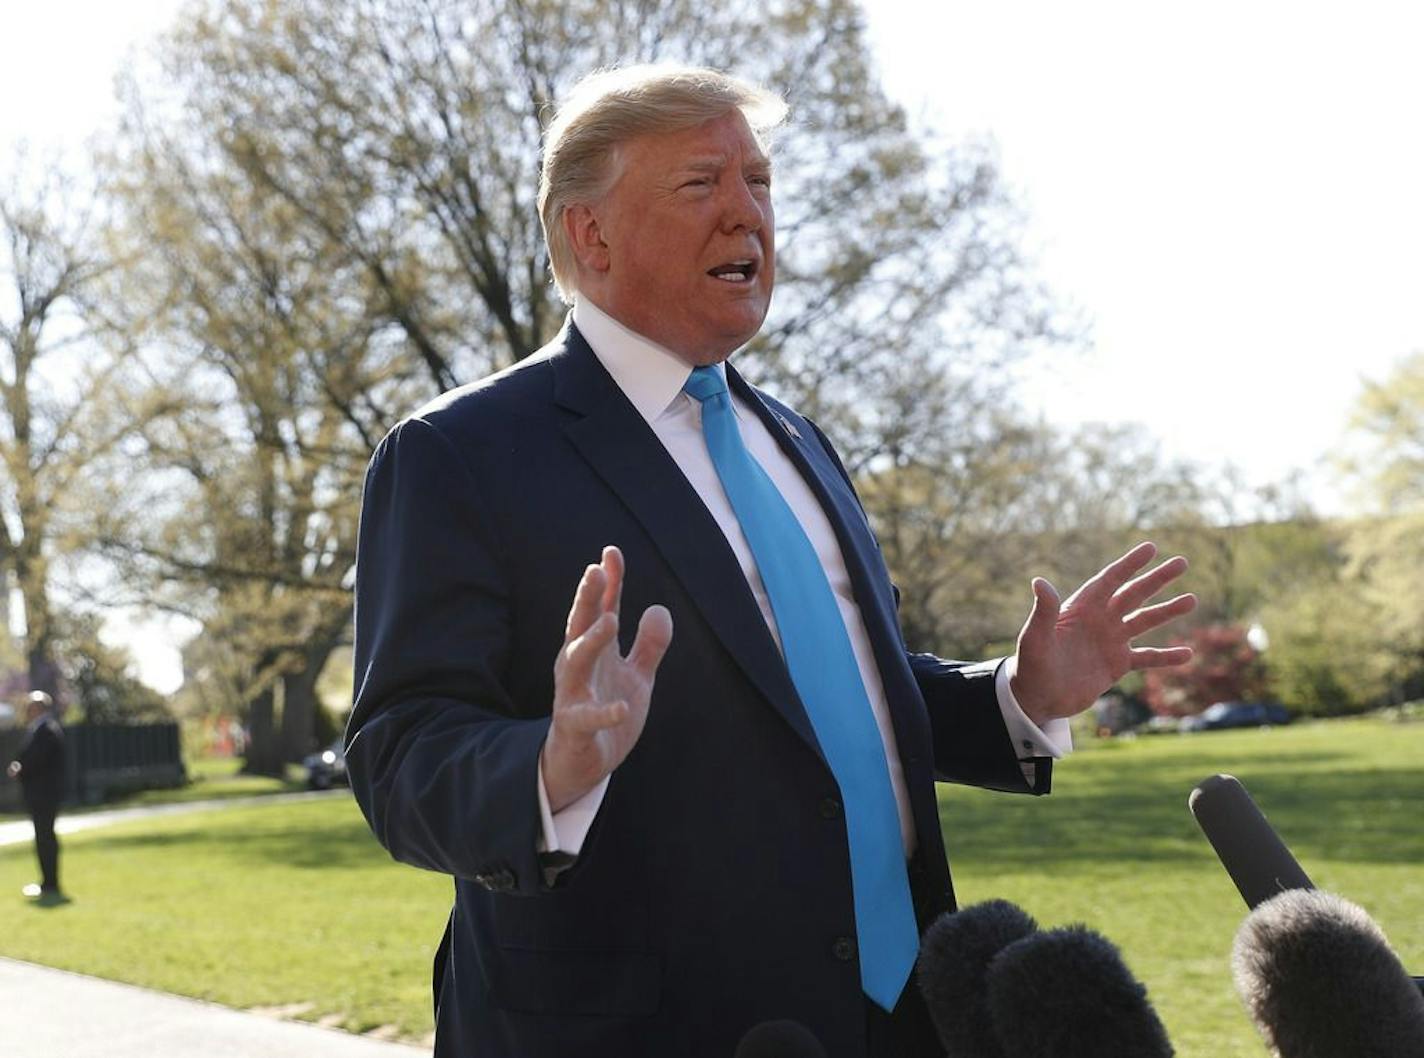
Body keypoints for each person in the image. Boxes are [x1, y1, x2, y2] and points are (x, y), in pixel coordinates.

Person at [346, 64, 1196, 1058]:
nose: (746, 213)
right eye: (701, 185)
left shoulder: (794, 440)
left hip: (905, 1014)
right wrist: (550, 762)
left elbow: (834, 702)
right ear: (590, 233)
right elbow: (401, 745)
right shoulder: (460, 453)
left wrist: (1017, 693)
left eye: (759, 183)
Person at [7, 691, 67, 902]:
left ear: (39, 708)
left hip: (45, 796)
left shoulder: (47, 730)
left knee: (45, 838)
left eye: (30, 707)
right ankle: (47, 881)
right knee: (43, 838)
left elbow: (37, 760)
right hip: (41, 796)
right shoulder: (40, 730)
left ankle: (50, 883)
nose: (26, 711)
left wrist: (20, 769)